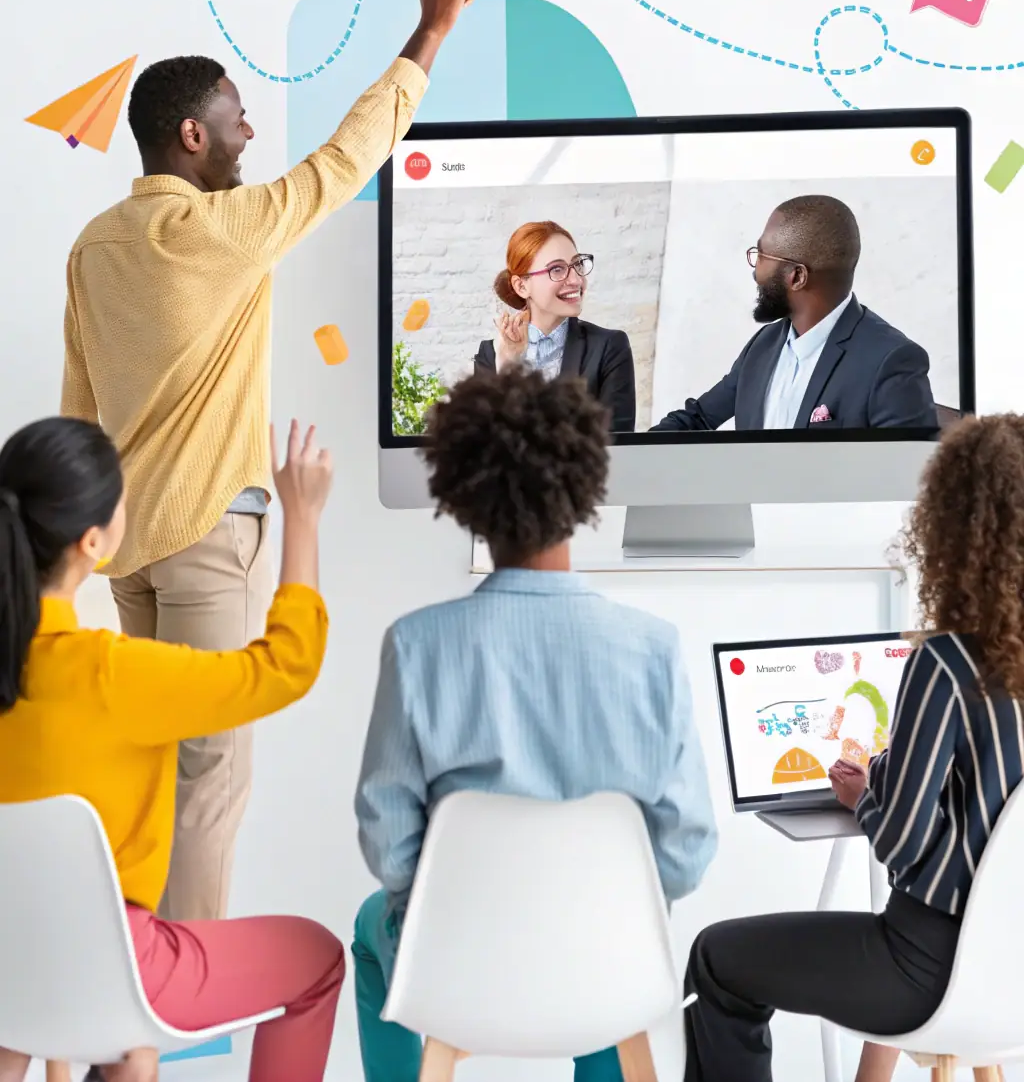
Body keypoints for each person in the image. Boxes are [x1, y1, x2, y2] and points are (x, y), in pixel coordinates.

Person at [59, 0, 474, 923]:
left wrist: (72, 561)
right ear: (191, 137)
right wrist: (429, 31)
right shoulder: (227, 231)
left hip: (122, 551)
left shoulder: (93, 247)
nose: (250, 136)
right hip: (206, 542)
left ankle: (129, 988)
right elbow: (346, 159)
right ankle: (174, 1006)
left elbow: (76, 409)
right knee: (210, 781)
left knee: (147, 771)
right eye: (237, 120)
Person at [352, 365, 717, 1082]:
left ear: (464, 498)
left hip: (457, 964)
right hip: (610, 969)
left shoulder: (417, 644)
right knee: (606, 945)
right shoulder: (652, 648)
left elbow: (386, 838)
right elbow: (689, 847)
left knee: (372, 928)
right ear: (586, 488)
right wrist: (613, 911)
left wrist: (426, 904)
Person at [0, 414, 345, 1082]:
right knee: (319, 957)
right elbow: (284, 666)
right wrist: (301, 516)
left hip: (10, 962)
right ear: (93, 540)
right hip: (122, 968)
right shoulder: (113, 672)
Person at [682, 413, 1024, 1082]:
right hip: (1013, 974)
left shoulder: (951, 663)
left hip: (927, 969)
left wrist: (865, 792)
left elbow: (902, 841)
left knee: (718, 961)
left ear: (954, 527)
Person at [651, 194, 938, 433]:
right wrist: (629, 456)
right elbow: (698, 418)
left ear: (797, 277)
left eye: (761, 256)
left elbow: (903, 485)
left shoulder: (891, 361)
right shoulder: (764, 345)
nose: (755, 270)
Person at [474, 221, 636, 432]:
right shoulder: (491, 355)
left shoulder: (609, 348)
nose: (577, 280)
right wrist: (509, 365)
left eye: (578, 264)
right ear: (522, 286)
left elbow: (616, 446)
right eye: (557, 269)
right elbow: (485, 447)